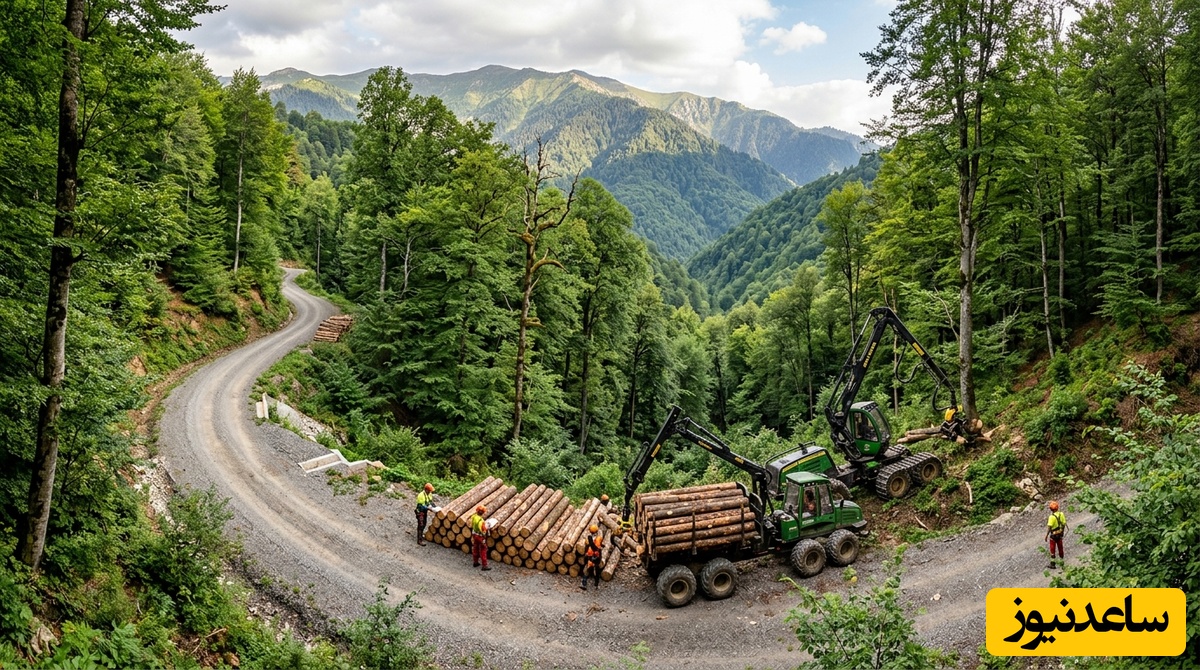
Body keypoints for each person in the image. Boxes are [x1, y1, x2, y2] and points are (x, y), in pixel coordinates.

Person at [1045, 500, 1067, 568]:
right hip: (1060, 534)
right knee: (1060, 548)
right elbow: (1064, 524)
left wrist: (1046, 535)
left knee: (1052, 549)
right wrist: (1062, 531)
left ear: (1051, 509)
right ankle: (1062, 562)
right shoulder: (1061, 514)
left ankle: (1053, 564)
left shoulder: (1051, 517)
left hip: (1053, 535)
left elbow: (1049, 527)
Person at [581, 524, 603, 590]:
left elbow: (594, 547)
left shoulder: (591, 539)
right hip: (595, 557)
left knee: (587, 570)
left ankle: (584, 584)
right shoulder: (598, 538)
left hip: (592, 556)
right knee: (595, 571)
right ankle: (595, 585)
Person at [470, 504, 492, 571]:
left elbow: (472, 525)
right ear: (483, 513)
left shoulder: (474, 517)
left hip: (474, 534)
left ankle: (475, 562)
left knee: (475, 547)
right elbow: (483, 530)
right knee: (483, 549)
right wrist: (487, 528)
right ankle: (484, 565)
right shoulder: (481, 520)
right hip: (480, 536)